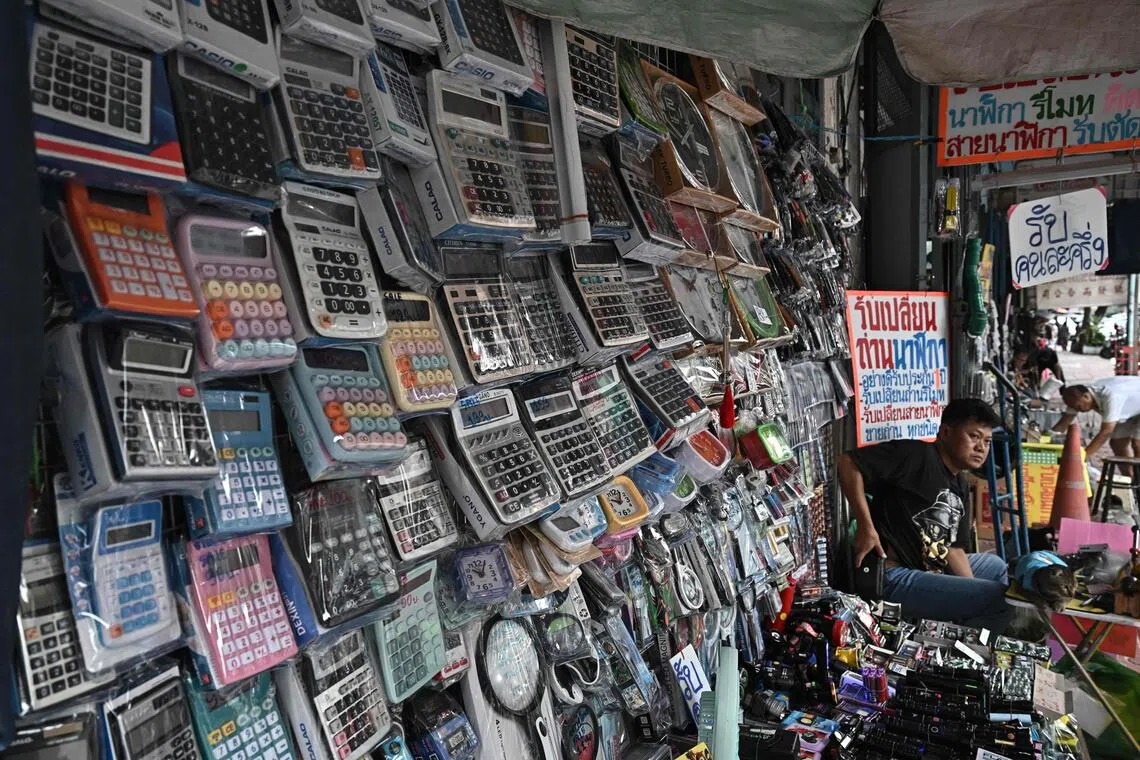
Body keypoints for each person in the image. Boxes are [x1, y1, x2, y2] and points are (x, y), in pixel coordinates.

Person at [837, 399, 1013, 633]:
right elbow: (847, 462)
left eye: (987, 441)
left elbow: (954, 549)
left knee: (995, 566)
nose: (981, 447)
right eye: (974, 436)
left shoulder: (959, 483)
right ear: (946, 432)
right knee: (999, 600)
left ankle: (956, 633)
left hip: (928, 566)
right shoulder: (915, 455)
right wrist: (865, 526)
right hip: (893, 576)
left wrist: (969, 592)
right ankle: (967, 653)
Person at [1053, 377, 1140, 474]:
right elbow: (1064, 422)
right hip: (1130, 404)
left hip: (1131, 398)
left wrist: (1082, 457)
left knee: (1137, 444)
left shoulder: (1110, 396)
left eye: (1078, 407)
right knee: (1117, 443)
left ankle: (1138, 481)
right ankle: (1129, 479)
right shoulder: (1077, 396)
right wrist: (1048, 437)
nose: (1077, 409)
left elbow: (1106, 432)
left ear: (1086, 396)